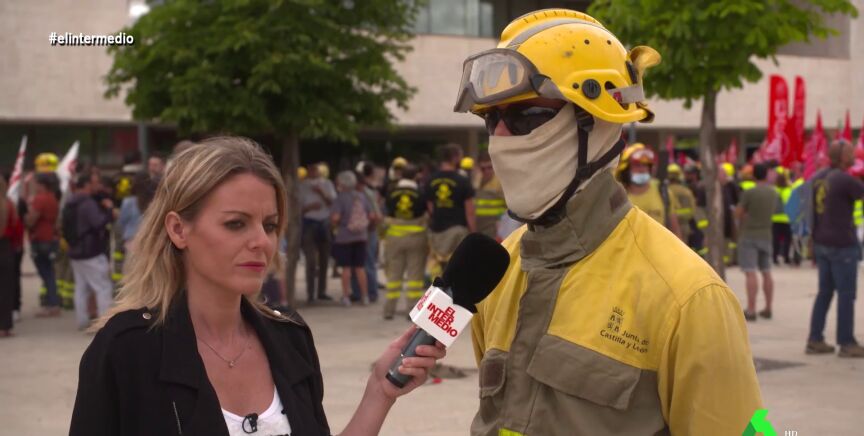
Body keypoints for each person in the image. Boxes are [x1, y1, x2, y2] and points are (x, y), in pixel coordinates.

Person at [453, 9, 762, 435]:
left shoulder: (690, 298)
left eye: (527, 116)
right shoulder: (498, 269)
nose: (500, 138)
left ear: (599, 123)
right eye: (491, 119)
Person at [69, 137, 444, 435]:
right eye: (236, 224)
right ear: (179, 229)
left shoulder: (289, 335)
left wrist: (378, 392)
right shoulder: (126, 348)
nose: (261, 242)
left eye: (269, 225)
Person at [806, 140, 864, 357]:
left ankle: (815, 339)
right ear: (841, 156)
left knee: (825, 292)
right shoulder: (845, 179)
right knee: (846, 294)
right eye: (850, 152)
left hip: (822, 241)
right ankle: (847, 342)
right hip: (841, 243)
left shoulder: (818, 177)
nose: (854, 155)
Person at [65, 169, 115, 330]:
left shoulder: (70, 201)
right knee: (103, 287)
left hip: (75, 251)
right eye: (95, 183)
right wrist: (109, 210)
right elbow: (98, 223)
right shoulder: (88, 203)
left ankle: (82, 321)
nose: (98, 186)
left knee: (81, 288)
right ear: (87, 184)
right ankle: (105, 323)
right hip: (91, 251)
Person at [735, 164, 781, 321]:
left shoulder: (749, 192)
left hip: (749, 234)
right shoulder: (773, 193)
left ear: (753, 175)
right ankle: (768, 308)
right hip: (766, 234)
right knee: (766, 271)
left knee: (750, 272)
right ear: (766, 175)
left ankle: (751, 309)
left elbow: (738, 213)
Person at [382, 164, 428, 320]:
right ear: (415, 176)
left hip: (394, 238)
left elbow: (387, 212)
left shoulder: (391, 192)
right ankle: (412, 309)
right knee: (414, 276)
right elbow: (426, 213)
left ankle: (389, 309)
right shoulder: (420, 193)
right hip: (416, 238)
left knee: (394, 274)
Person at [425, 143, 475, 276]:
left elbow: (430, 207)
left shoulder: (431, 179)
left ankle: (438, 286)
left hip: (437, 230)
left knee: (438, 266)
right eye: (460, 157)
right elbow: (469, 211)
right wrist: (473, 231)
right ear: (454, 157)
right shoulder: (462, 180)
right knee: (458, 266)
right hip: (457, 230)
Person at [616, 143, 683, 240]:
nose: (642, 169)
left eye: (645, 165)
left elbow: (675, 230)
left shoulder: (663, 192)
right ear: (626, 170)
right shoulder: (618, 196)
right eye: (637, 165)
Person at [331, 170, 375, 306]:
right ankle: (365, 296)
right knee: (360, 268)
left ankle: (346, 297)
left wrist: (336, 223)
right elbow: (371, 215)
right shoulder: (361, 196)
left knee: (346, 269)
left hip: (345, 237)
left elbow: (335, 218)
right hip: (361, 236)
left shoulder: (340, 198)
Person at [299, 163, 337, 303]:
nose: (313, 171)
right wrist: (309, 207)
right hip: (309, 223)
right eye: (311, 169)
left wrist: (321, 192)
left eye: (315, 169)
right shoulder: (302, 186)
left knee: (324, 259)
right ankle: (310, 294)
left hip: (324, 222)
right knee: (310, 260)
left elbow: (333, 202)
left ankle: (322, 291)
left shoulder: (327, 184)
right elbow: (297, 208)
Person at [27, 173, 62, 317]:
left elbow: (31, 220)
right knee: (50, 272)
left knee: (46, 273)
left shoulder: (40, 199)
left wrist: (25, 217)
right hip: (51, 238)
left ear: (41, 185)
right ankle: (53, 303)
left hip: (40, 238)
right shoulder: (53, 198)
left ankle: (52, 304)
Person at [351, 161, 382, 303]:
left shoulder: (366, 194)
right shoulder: (361, 193)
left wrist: (371, 226)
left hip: (368, 232)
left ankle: (371, 292)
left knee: (367, 263)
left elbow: (376, 215)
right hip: (360, 232)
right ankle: (358, 292)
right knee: (358, 263)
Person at [1, 173, 23, 337]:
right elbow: (18, 229)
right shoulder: (9, 205)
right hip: (5, 248)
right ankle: (4, 326)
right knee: (5, 289)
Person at [474, 152, 507, 240]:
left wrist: (502, 226)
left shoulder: (500, 182)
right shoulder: (476, 180)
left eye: (489, 167)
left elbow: (509, 207)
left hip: (495, 227)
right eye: (483, 168)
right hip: (479, 226)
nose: (486, 171)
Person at [666, 163, 696, 246]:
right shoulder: (686, 192)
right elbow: (692, 212)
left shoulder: (663, 192)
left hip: (666, 227)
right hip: (683, 227)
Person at [772, 167, 793, 264]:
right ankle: (786, 257)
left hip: (775, 218)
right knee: (787, 239)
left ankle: (774, 257)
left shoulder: (774, 190)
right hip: (786, 219)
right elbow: (790, 204)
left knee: (775, 239)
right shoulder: (789, 190)